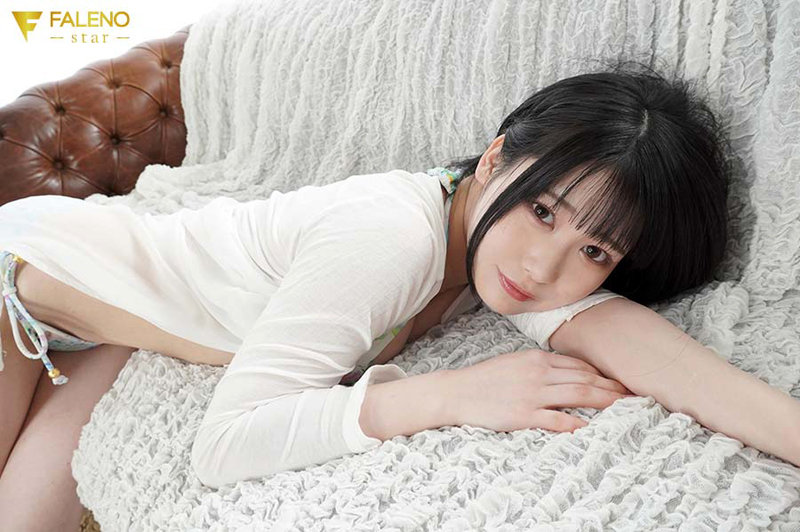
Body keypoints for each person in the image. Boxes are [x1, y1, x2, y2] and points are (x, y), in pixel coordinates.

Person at [2, 61, 793, 528]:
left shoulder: (499, 246)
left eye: (595, 249)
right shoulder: (392, 238)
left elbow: (650, 352)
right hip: (24, 278)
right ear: (495, 159)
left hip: (112, 330)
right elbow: (225, 445)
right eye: (545, 210)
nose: (544, 267)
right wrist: (448, 395)